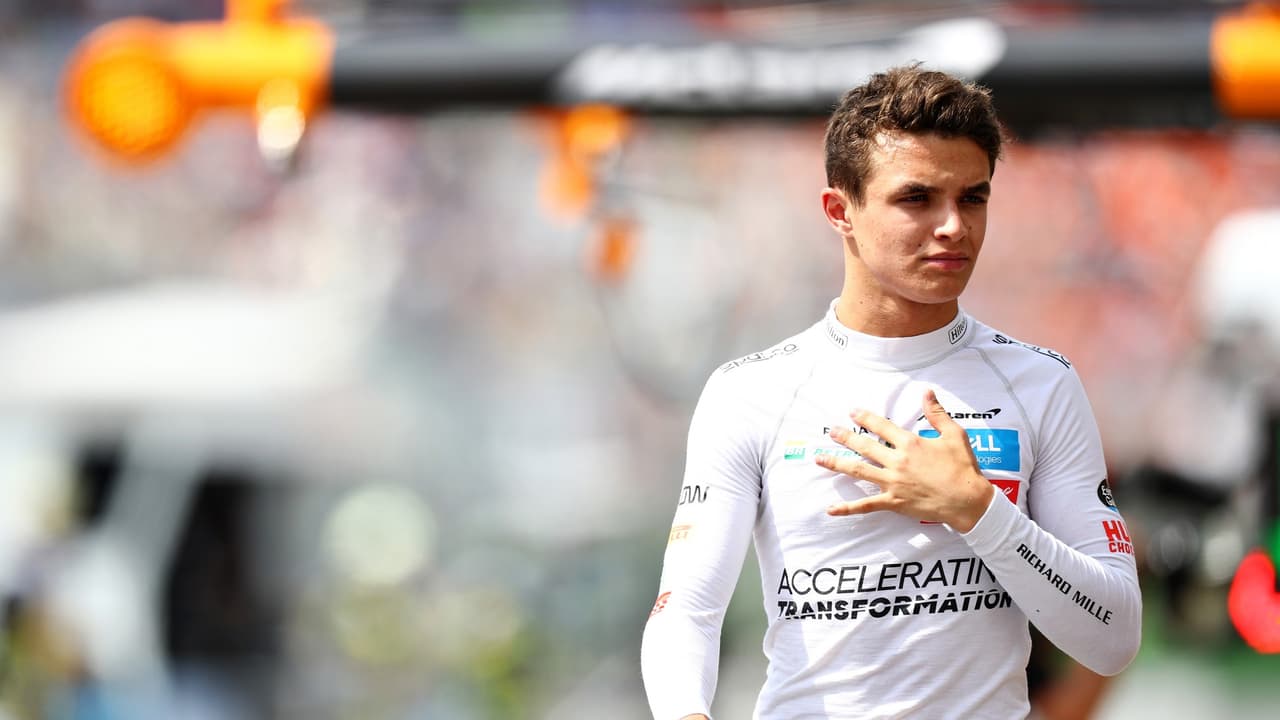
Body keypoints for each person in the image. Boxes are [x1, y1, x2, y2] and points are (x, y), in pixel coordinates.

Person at [640, 65, 1142, 720]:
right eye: (917, 199)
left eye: (973, 198)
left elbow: (1114, 636)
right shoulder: (750, 391)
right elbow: (685, 612)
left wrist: (977, 510)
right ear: (839, 211)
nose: (953, 226)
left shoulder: (1042, 383)